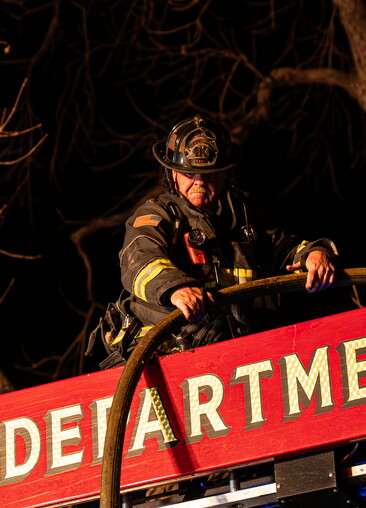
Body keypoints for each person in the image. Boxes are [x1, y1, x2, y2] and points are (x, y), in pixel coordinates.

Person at [113, 114, 337, 357]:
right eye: (190, 174)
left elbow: (286, 248)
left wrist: (314, 253)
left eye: (208, 175)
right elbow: (139, 260)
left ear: (225, 175)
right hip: (167, 359)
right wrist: (175, 289)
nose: (199, 182)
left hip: (241, 355)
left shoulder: (245, 216)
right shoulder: (157, 216)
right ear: (173, 174)